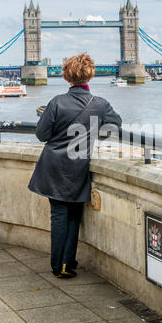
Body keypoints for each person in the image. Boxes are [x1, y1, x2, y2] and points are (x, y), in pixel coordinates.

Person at [28, 54, 122, 278]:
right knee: (74, 214)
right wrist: (94, 128)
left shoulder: (57, 102)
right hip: (78, 167)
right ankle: (67, 263)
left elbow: (42, 135)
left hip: (53, 166)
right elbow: (116, 125)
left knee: (59, 214)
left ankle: (58, 265)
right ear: (91, 75)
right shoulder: (100, 104)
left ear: (67, 77)